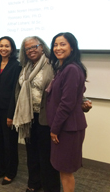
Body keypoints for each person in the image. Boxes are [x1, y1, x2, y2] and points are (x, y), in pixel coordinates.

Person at [13, 36, 60, 192]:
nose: (31, 50)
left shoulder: (52, 65)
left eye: (34, 47)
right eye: (27, 48)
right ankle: (34, 183)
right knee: (31, 154)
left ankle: (50, 187)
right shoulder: (25, 67)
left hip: (45, 118)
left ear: (42, 47)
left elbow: (64, 87)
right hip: (28, 118)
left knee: (46, 156)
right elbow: (19, 90)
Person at [46, 32, 88, 192]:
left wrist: (55, 129)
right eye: (55, 45)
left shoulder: (71, 69)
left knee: (66, 170)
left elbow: (66, 104)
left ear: (72, 47)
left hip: (67, 128)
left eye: (62, 44)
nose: (58, 48)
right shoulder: (63, 68)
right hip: (65, 127)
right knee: (63, 168)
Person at [0, 36, 21, 186]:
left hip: (8, 110)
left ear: (12, 48)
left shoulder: (17, 66)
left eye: (7, 46)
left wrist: (11, 114)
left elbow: (16, 92)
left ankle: (10, 172)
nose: (3, 49)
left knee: (10, 143)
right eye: (1, 46)